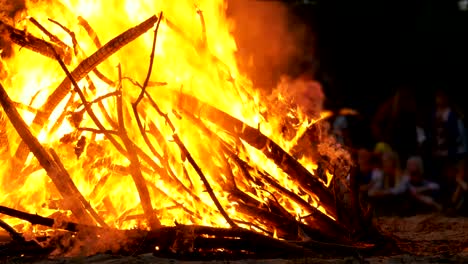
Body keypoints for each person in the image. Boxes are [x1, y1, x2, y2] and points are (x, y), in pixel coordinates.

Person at [426, 89, 467, 208]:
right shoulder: (433, 113)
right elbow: (430, 132)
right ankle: (442, 203)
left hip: (452, 152)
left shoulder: (454, 114)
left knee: (453, 178)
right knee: (440, 178)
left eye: (442, 97)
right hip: (436, 152)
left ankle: (454, 204)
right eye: (438, 97)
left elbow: (459, 135)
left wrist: (456, 150)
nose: (439, 100)